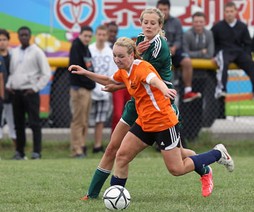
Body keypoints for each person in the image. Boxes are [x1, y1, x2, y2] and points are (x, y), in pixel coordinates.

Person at [69, 37, 234, 194]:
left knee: (176, 169)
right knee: (122, 156)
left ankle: (217, 153)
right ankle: (116, 194)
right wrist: (85, 72)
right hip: (144, 122)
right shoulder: (123, 71)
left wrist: (164, 90)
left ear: (132, 55)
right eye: (114, 56)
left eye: (121, 56)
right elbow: (108, 80)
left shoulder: (141, 67)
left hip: (163, 122)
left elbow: (154, 80)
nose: (117, 60)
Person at [80, 8, 214, 200]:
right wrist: (94, 75)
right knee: (114, 149)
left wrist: (119, 82)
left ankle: (205, 166)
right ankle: (95, 194)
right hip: (138, 102)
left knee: (176, 160)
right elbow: (126, 72)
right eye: (146, 22)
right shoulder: (142, 38)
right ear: (141, 23)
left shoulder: (159, 47)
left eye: (153, 23)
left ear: (161, 26)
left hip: (159, 102)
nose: (149, 26)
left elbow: (142, 73)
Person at [6, 26, 50, 160]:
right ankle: (20, 152)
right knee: (18, 124)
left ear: (30, 36)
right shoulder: (14, 52)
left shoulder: (37, 52)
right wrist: (9, 85)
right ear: (18, 37)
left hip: (30, 92)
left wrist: (35, 88)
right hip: (16, 93)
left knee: (34, 123)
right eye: (21, 35)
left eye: (26, 35)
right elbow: (12, 72)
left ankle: (37, 152)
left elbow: (46, 73)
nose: (24, 37)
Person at [211, 1, 254, 100]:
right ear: (224, 13)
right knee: (223, 63)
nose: (229, 13)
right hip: (224, 51)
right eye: (227, 11)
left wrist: (247, 55)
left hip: (238, 52)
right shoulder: (217, 27)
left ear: (236, 12)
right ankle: (221, 90)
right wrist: (214, 55)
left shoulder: (242, 26)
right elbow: (212, 43)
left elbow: (248, 43)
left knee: (251, 64)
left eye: (231, 11)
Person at [156, 0, 201, 103]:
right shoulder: (154, 22)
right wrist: (166, 48)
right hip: (159, 53)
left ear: (169, 9)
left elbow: (179, 38)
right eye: (161, 9)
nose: (163, 12)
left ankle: (187, 91)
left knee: (187, 62)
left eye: (165, 9)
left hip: (174, 52)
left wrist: (175, 47)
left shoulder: (176, 22)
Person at [88, 25, 117, 153]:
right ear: (96, 35)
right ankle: (81, 146)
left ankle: (97, 145)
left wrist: (108, 84)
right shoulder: (89, 49)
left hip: (104, 88)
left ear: (106, 36)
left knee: (100, 119)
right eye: (98, 34)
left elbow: (112, 71)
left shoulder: (110, 52)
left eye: (103, 35)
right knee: (85, 119)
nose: (101, 37)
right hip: (90, 88)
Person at [68, 26, 95, 158]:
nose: (87, 38)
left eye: (90, 36)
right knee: (78, 120)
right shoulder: (76, 47)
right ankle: (76, 149)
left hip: (87, 89)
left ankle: (82, 146)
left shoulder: (86, 48)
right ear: (80, 35)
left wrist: (91, 84)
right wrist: (89, 83)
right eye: (85, 36)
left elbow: (89, 67)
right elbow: (76, 72)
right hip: (79, 89)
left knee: (85, 121)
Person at [105, 21, 130, 132]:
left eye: (115, 32)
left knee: (130, 113)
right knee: (117, 113)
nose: (112, 34)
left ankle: (127, 140)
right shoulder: (103, 47)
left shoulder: (120, 46)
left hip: (127, 82)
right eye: (110, 31)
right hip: (115, 82)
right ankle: (114, 140)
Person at [0, 29, 16, 146]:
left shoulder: (14, 57)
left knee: (13, 124)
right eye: (0, 40)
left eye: (4, 39)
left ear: (8, 41)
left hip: (11, 96)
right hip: (0, 97)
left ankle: (18, 151)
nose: (2, 42)